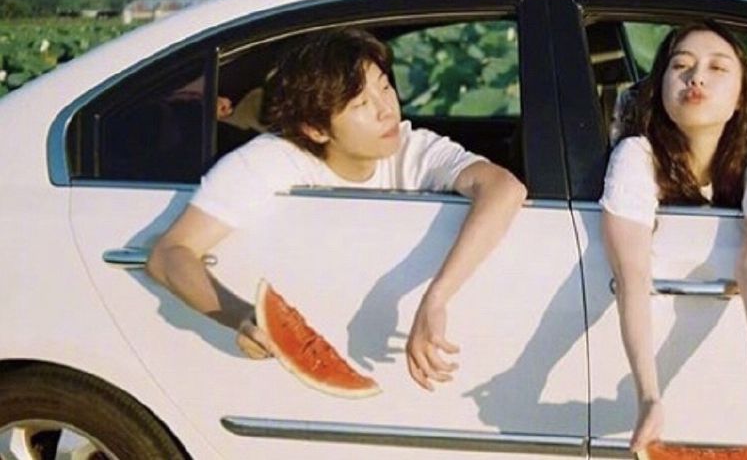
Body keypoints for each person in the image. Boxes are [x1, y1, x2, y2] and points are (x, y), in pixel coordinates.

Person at [146, 27, 527, 391]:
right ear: (316, 129)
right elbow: (168, 254)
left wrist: (437, 298)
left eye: (384, 87)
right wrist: (241, 317)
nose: (386, 110)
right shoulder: (271, 160)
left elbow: (504, 188)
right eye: (361, 103)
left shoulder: (413, 148)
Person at [599, 20, 747, 451]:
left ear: (742, 95)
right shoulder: (637, 155)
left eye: (717, 67)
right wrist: (649, 397)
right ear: (660, 87)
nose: (696, 77)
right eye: (681, 66)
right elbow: (632, 272)